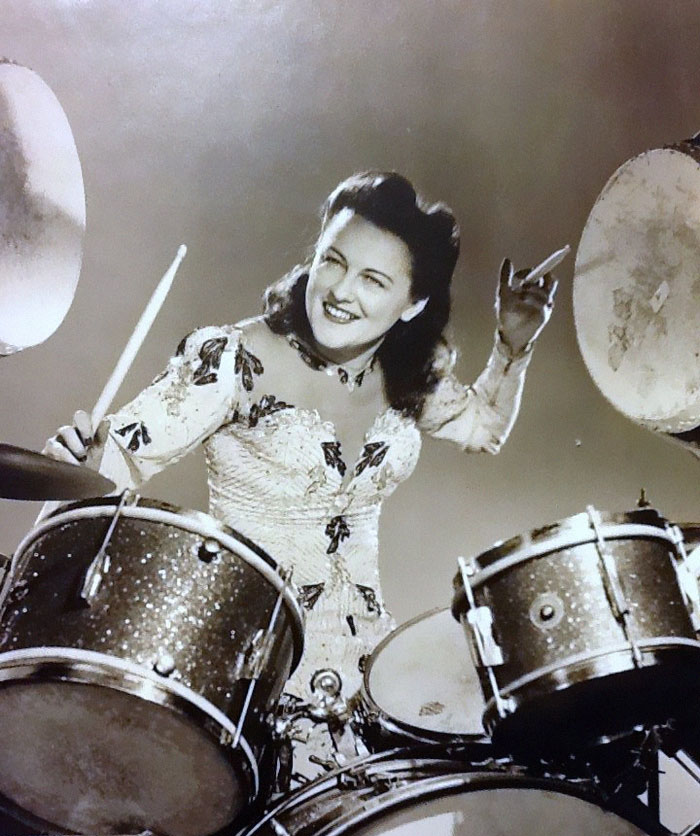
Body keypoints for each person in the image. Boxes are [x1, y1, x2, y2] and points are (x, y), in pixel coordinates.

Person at [45, 171, 557, 769]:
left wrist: (513, 345)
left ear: (413, 305)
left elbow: (484, 429)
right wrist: (78, 460)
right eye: (332, 261)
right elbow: (110, 465)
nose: (340, 291)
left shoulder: (412, 374)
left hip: (375, 684)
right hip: (251, 675)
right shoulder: (233, 360)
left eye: (373, 280)